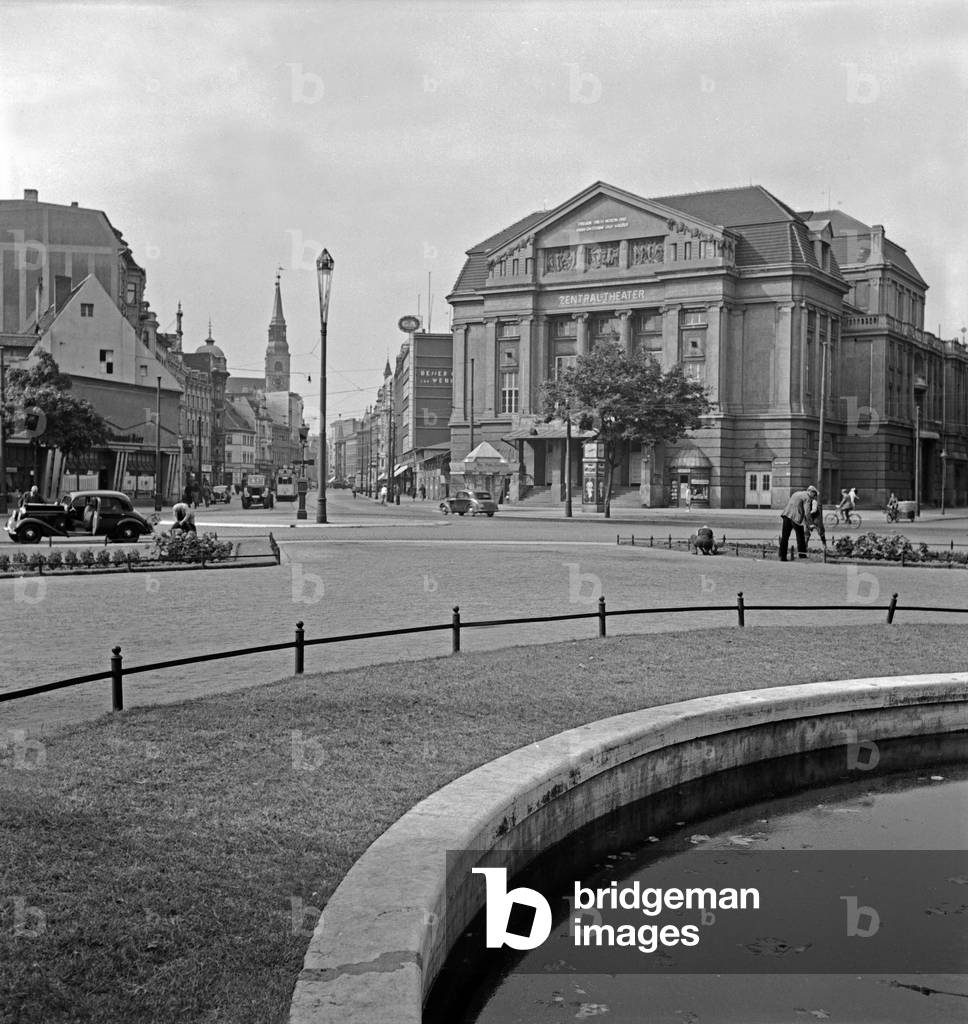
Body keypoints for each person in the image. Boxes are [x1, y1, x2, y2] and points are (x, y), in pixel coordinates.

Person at [779, 485, 815, 561]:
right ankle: (802, 555)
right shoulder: (807, 497)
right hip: (795, 518)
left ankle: (782, 556)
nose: (813, 498)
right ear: (811, 492)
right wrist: (811, 524)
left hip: (786, 515)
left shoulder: (796, 493)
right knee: (800, 536)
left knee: (785, 537)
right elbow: (807, 513)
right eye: (814, 495)